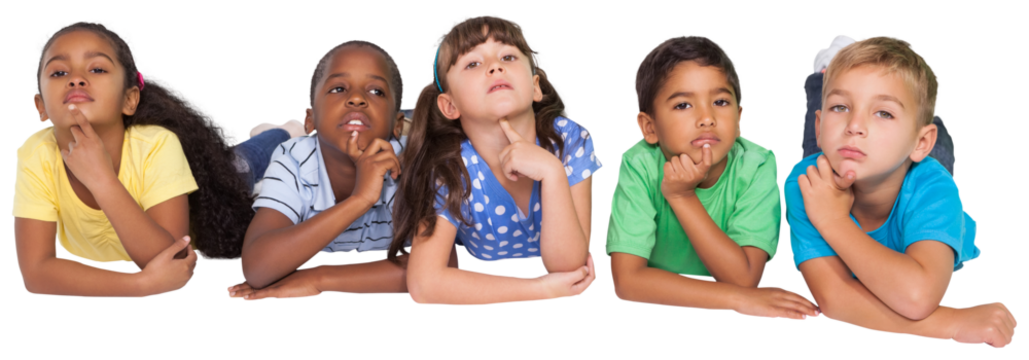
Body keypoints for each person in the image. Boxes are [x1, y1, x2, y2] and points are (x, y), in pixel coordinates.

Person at [784, 34, 1016, 349]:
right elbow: (835, 299)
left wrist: (833, 220)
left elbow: (917, 296)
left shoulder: (935, 188)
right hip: (850, 156)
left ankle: (926, 114)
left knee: (938, 148)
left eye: (884, 113)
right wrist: (953, 323)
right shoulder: (806, 183)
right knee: (826, 141)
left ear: (920, 143)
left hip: (916, 168)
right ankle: (828, 79)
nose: (855, 125)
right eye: (841, 107)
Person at [16, 19, 262, 299]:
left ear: (129, 100)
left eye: (97, 69)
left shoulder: (157, 144)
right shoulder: (36, 152)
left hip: (215, 183)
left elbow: (173, 259)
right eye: (59, 72)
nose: (76, 79)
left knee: (242, 163)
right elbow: (35, 274)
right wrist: (141, 284)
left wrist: (102, 180)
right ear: (40, 106)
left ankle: (277, 133)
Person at [388, 13, 602, 306]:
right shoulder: (447, 167)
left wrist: (552, 172)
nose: (495, 66)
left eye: (508, 57)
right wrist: (541, 289)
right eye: (473, 63)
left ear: (535, 87)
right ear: (450, 105)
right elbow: (424, 286)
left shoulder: (568, 140)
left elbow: (569, 268)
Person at [606, 33, 819, 321]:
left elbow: (744, 277)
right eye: (683, 105)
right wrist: (738, 300)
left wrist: (683, 197)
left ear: (739, 118)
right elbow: (627, 283)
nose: (707, 118)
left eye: (720, 101)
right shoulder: (639, 163)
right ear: (649, 127)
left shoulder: (757, 164)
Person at [227, 39, 449, 302]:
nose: (357, 98)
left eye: (376, 91)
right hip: (293, 146)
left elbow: (441, 264)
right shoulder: (293, 161)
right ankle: (284, 131)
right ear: (311, 119)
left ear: (396, 125)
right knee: (247, 162)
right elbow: (257, 268)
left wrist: (318, 278)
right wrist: (360, 199)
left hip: (404, 134)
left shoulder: (409, 165)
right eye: (339, 88)